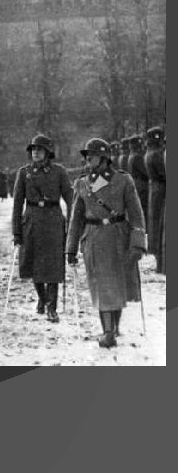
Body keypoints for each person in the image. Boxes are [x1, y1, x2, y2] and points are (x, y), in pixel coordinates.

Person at [66, 138, 147, 349]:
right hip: (93, 238)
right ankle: (108, 332)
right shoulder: (82, 183)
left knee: (117, 284)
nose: (87, 159)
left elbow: (136, 214)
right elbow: (76, 218)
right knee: (101, 285)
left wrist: (138, 243)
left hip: (119, 236)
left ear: (104, 157)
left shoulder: (123, 180)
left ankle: (114, 327)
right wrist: (70, 248)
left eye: (91, 155)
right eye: (86, 155)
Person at [12, 135, 73, 323]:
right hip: (31, 221)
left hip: (53, 221)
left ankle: (51, 308)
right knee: (34, 264)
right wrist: (16, 231)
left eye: (39, 149)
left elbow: (71, 199)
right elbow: (17, 204)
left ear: (48, 153)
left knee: (53, 265)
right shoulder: (24, 173)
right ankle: (43, 298)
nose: (35, 152)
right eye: (33, 149)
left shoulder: (59, 172)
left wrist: (72, 225)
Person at [144, 127, 166, 273]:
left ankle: (159, 261)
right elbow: (163, 173)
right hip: (161, 189)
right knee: (160, 224)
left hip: (154, 189)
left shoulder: (149, 153)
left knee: (155, 224)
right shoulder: (156, 154)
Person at [127, 134, 149, 225]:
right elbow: (146, 172)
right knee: (144, 208)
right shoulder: (137, 157)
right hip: (141, 184)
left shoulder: (131, 156)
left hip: (135, 183)